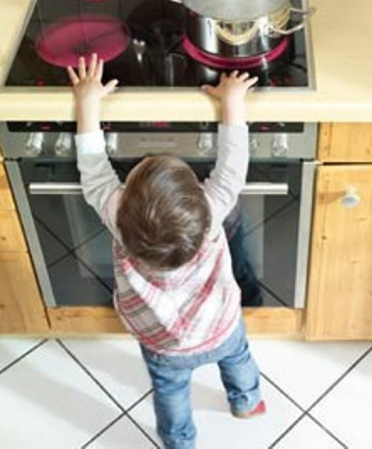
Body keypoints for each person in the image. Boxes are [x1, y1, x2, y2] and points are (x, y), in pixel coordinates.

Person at [67, 53, 266, 449]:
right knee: (238, 360)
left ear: (124, 199)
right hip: (221, 326)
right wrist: (232, 102)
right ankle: (246, 404)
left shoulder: (118, 217)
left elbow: (94, 170)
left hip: (163, 344)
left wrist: (87, 102)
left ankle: (179, 442)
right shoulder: (209, 212)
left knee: (170, 393)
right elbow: (232, 167)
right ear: (198, 192)